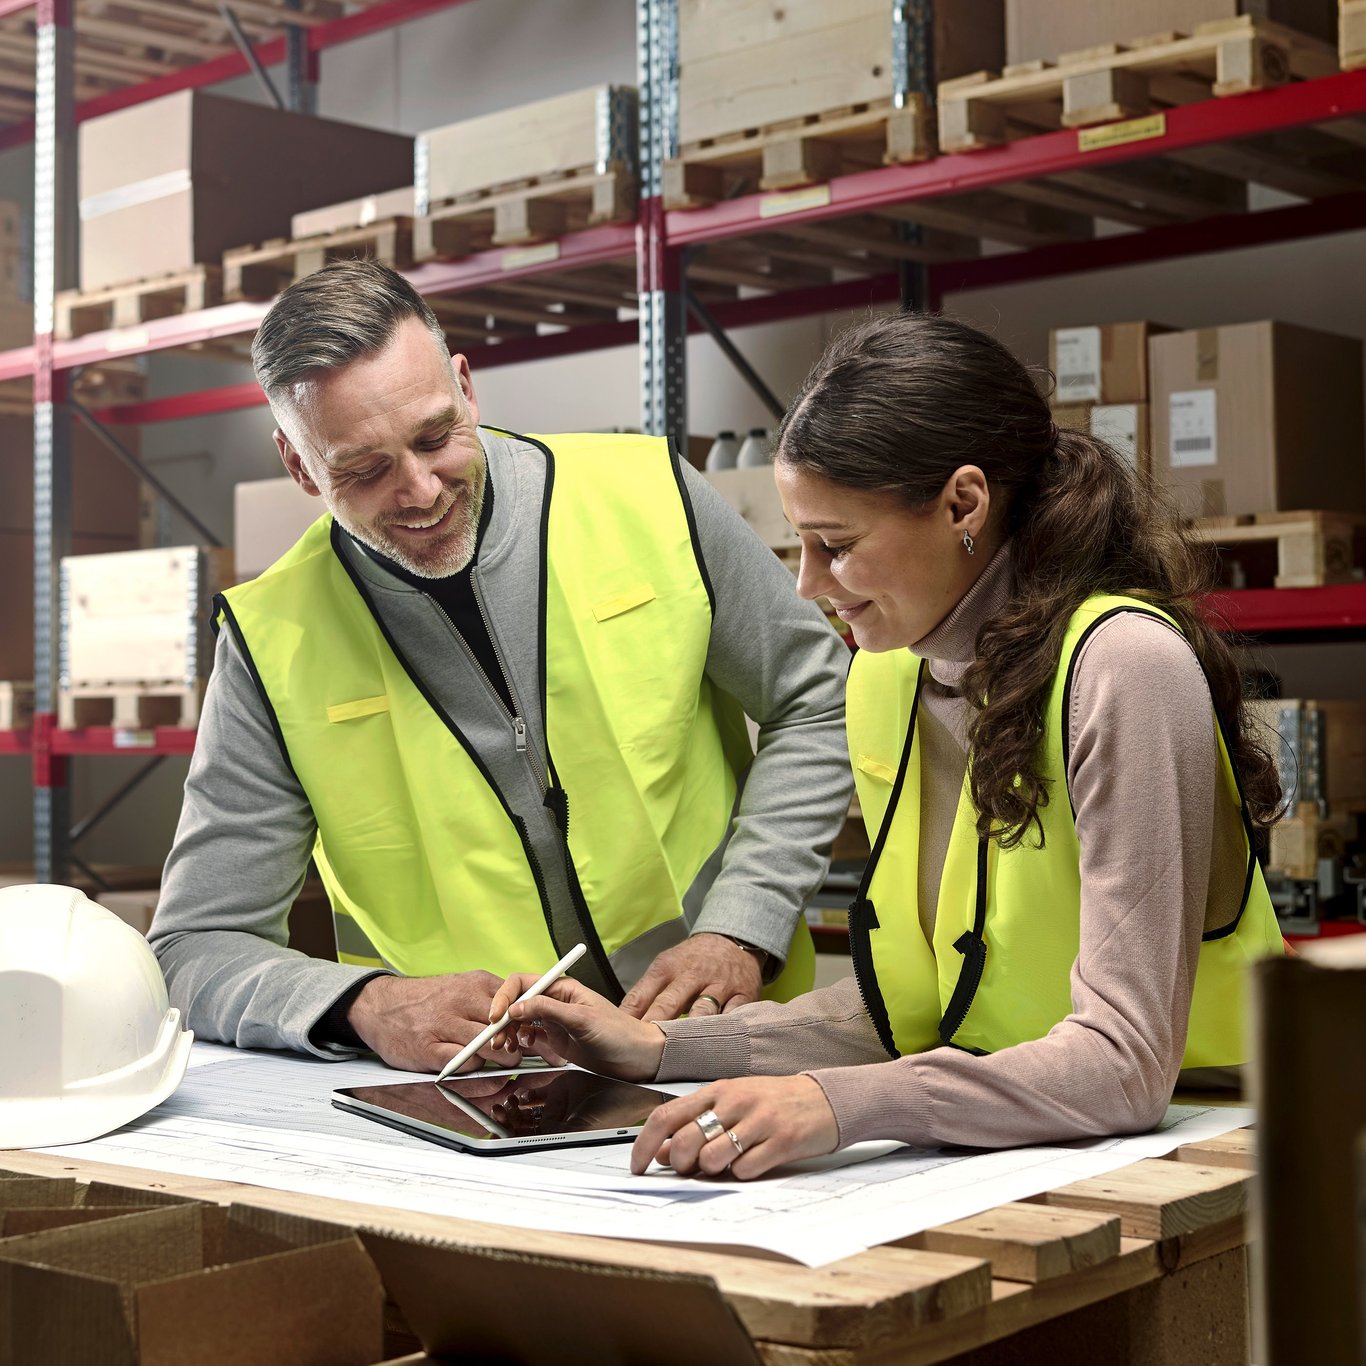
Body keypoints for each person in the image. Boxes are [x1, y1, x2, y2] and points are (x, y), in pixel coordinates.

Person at [484, 311, 1287, 1179]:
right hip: (1018, 1141)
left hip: (1212, 1150)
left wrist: (836, 1104)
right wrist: (655, 1046)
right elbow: (908, 1014)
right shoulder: (889, 677)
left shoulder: (1126, 666)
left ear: (963, 504)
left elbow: (1125, 1066)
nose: (807, 583)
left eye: (836, 545)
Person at [148, 260, 853, 1075]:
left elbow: (818, 699)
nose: (419, 490)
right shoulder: (272, 642)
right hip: (481, 1090)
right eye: (364, 469)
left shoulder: (653, 497)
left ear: (466, 387)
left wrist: (743, 924)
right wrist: (365, 1003)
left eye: (434, 436)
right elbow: (195, 947)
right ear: (299, 465)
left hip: (718, 1041)